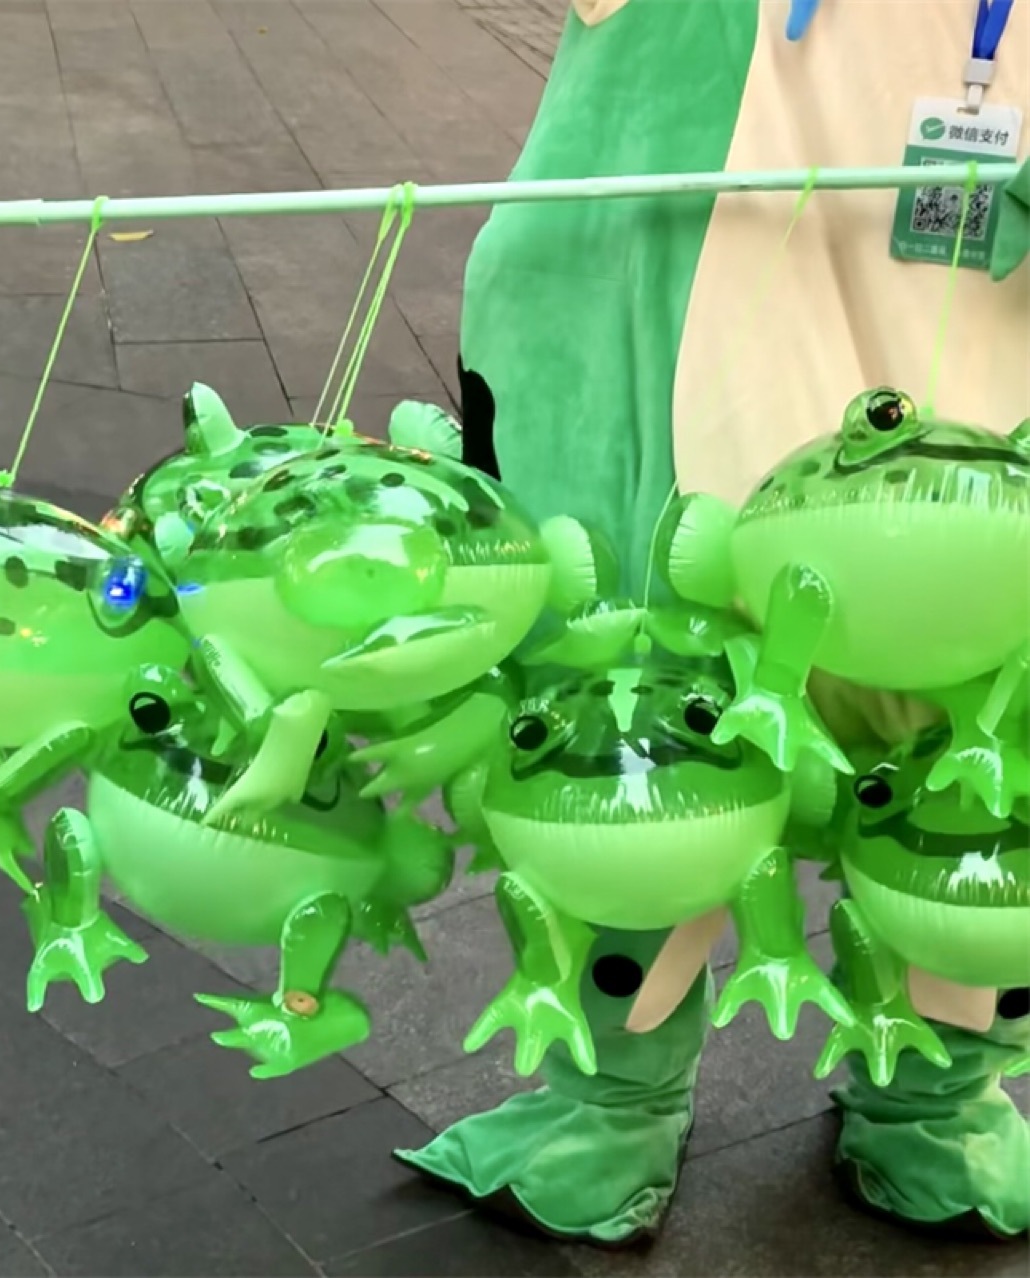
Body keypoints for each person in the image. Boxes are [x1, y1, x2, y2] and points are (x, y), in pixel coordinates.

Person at [402, 0, 1030, 1244]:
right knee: (643, 720)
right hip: (686, 322)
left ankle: (942, 1097)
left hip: (970, 333)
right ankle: (610, 1098)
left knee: (977, 752)